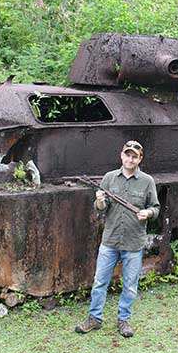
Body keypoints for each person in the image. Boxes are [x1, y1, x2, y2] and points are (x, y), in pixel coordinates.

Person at [74, 140, 160, 338]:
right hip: (110, 241)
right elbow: (100, 209)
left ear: (140, 159)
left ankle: (124, 320)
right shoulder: (109, 178)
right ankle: (94, 319)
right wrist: (100, 201)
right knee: (99, 282)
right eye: (127, 154)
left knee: (130, 285)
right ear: (122, 155)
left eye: (134, 156)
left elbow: (156, 208)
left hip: (133, 243)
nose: (130, 159)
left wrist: (147, 212)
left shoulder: (147, 181)